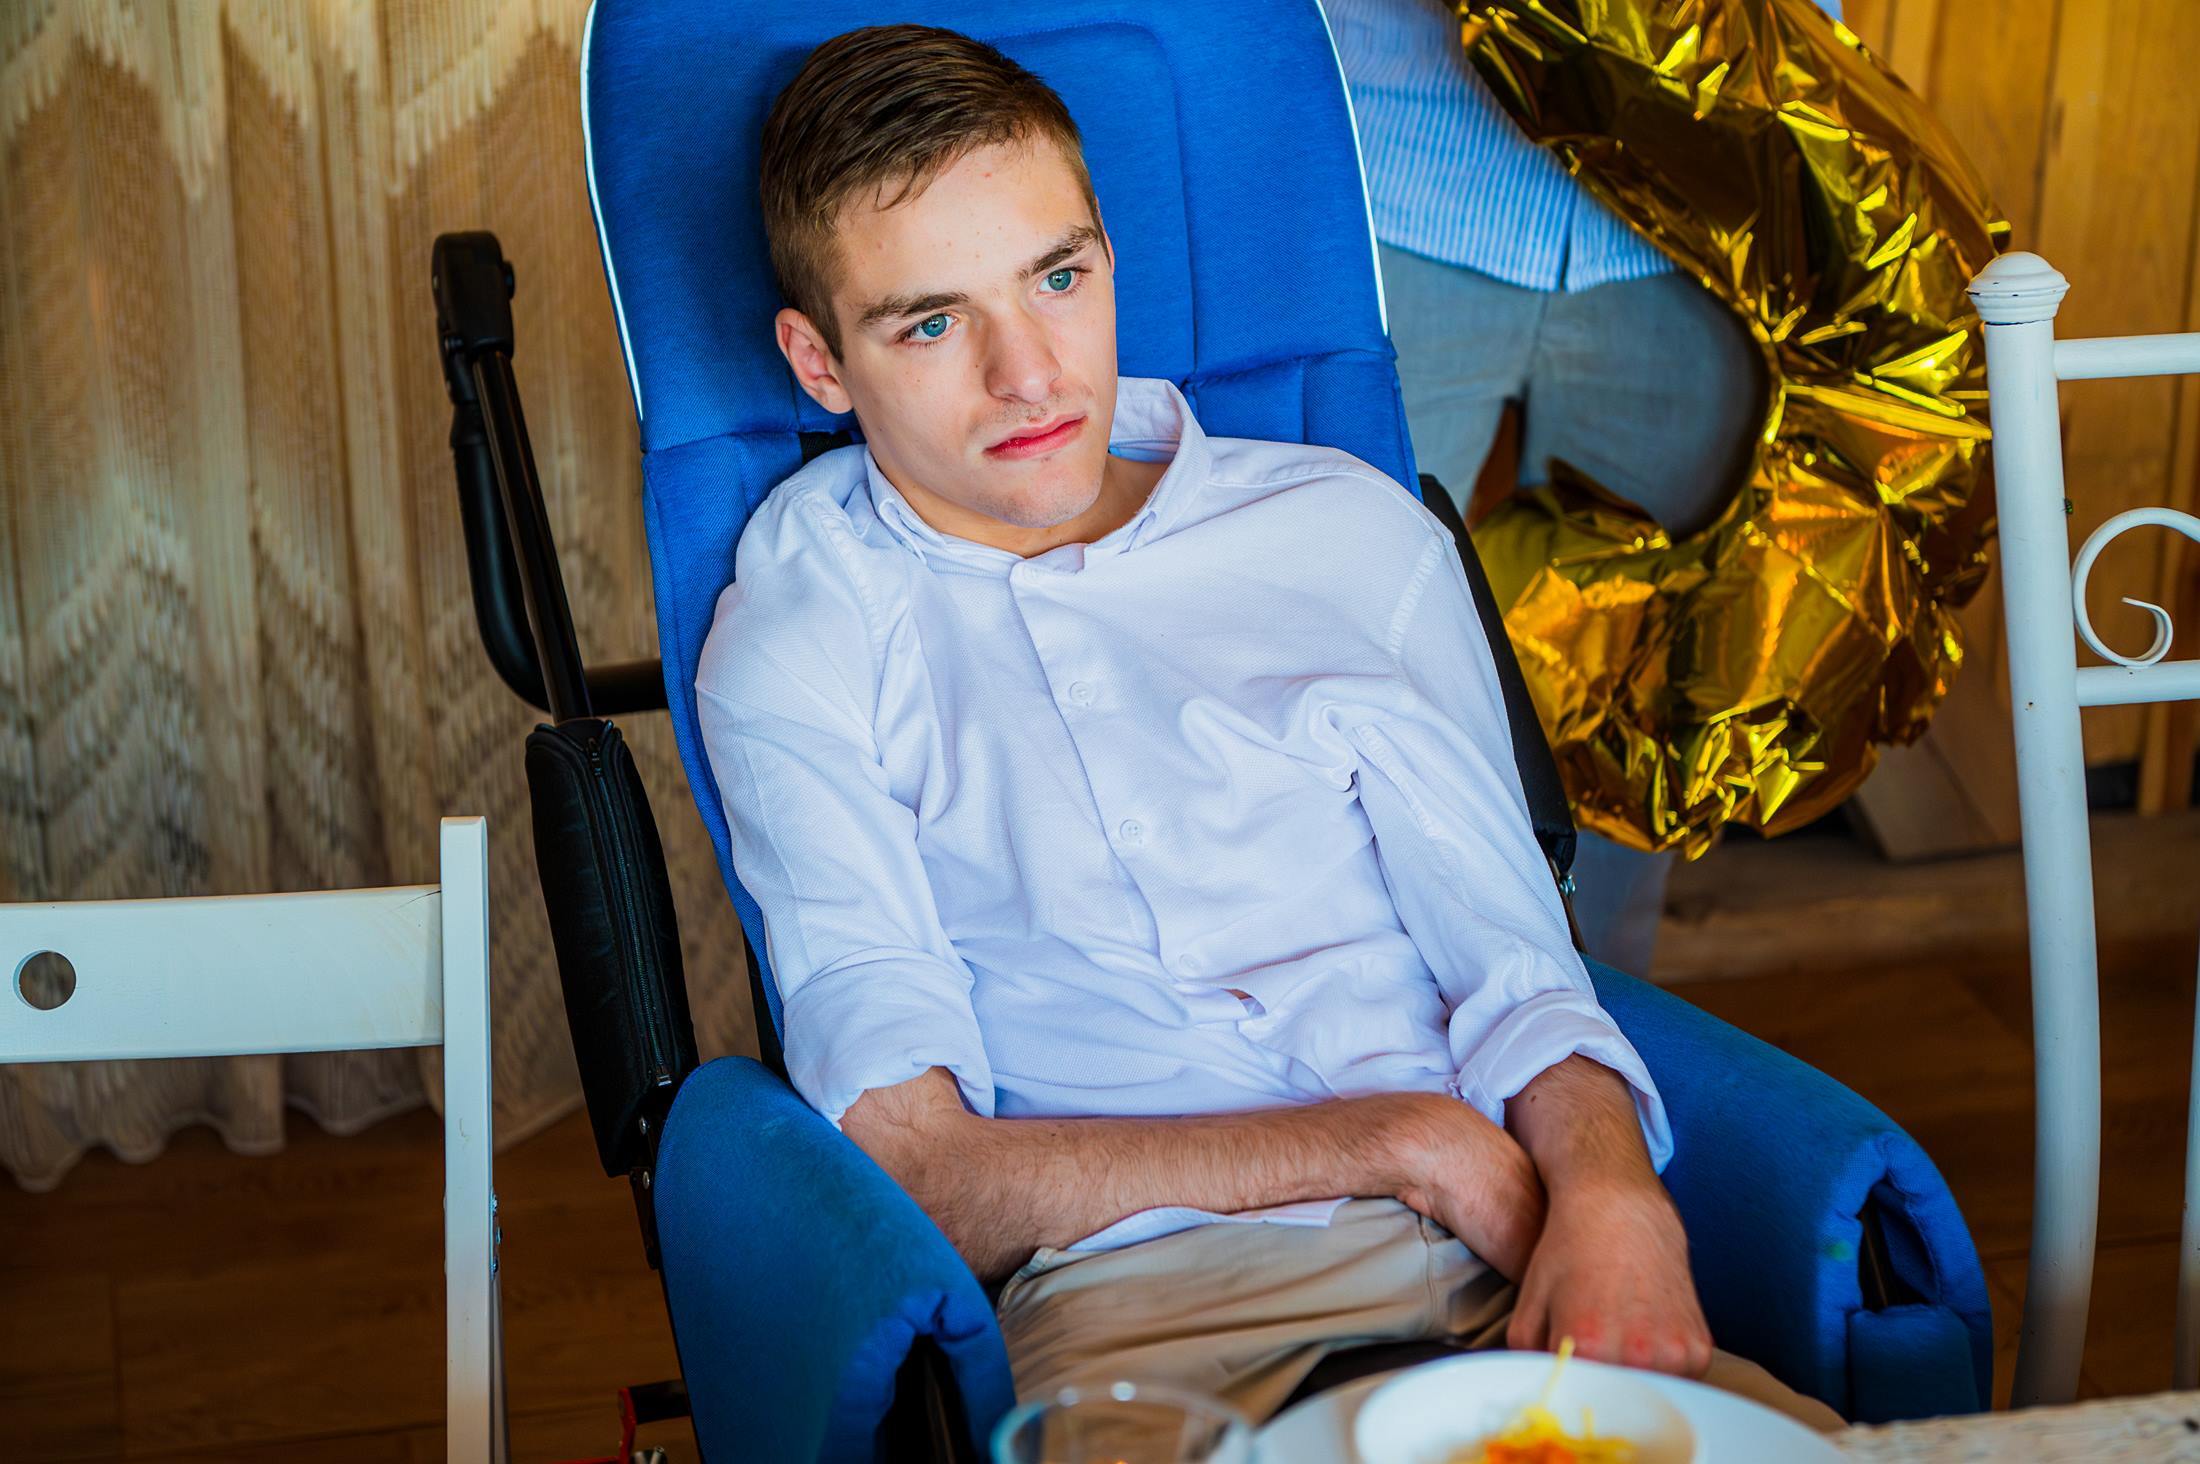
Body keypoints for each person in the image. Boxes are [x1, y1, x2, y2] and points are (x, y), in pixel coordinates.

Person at [699, 23, 1838, 1429]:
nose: (1029, 374)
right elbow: (921, 1168)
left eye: (1058, 277)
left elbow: (1521, 973)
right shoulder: (804, 636)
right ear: (819, 364)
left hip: (1506, 1251)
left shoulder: (1345, 533)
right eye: (931, 324)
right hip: (1147, 1313)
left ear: (1109, 258)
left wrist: (1612, 1197)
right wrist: (1398, 1143)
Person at [1330, 0, 1835, 977]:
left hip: (1685, 230)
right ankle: (1361, 1010)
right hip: (1398, 183)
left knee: (1638, 673)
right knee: (1342, 629)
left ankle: (1607, 1010)